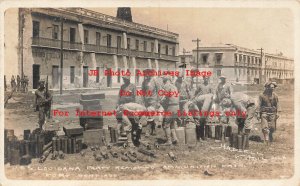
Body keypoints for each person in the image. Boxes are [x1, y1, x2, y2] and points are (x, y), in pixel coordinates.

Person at [141, 69, 164, 136]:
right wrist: (143, 100)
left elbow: (159, 91)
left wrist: (159, 101)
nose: (146, 75)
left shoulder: (155, 81)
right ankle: (153, 130)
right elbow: (142, 92)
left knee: (150, 115)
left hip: (154, 101)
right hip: (146, 101)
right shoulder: (144, 82)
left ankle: (148, 131)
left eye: (148, 74)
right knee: (149, 115)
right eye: (145, 74)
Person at [160, 74, 180, 145]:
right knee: (172, 123)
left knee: (166, 124)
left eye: (163, 79)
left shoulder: (167, 86)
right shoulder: (174, 86)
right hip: (177, 107)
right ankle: (175, 139)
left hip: (171, 107)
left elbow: (164, 97)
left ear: (166, 80)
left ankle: (169, 141)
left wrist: (160, 102)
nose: (163, 81)